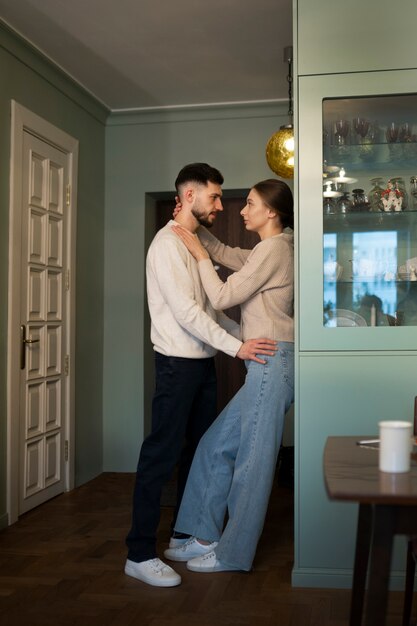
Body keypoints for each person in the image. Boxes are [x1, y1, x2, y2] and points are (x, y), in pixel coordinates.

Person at [124, 163, 277, 588]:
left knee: (200, 452)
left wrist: (247, 337)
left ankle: (182, 537)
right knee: (160, 456)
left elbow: (211, 311)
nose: (220, 204)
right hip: (175, 366)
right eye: (213, 196)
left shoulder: (195, 244)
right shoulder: (165, 247)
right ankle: (138, 553)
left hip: (203, 365)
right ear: (189, 197)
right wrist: (238, 347)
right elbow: (189, 315)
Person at [164, 178, 294, 573]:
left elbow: (221, 297)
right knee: (213, 445)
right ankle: (203, 535)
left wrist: (199, 255)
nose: (241, 209)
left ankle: (232, 553)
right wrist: (194, 228)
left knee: (252, 462)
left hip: (273, 362)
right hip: (267, 364)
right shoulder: (268, 248)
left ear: (271, 211)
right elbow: (226, 252)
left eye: (250, 203)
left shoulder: (274, 249)